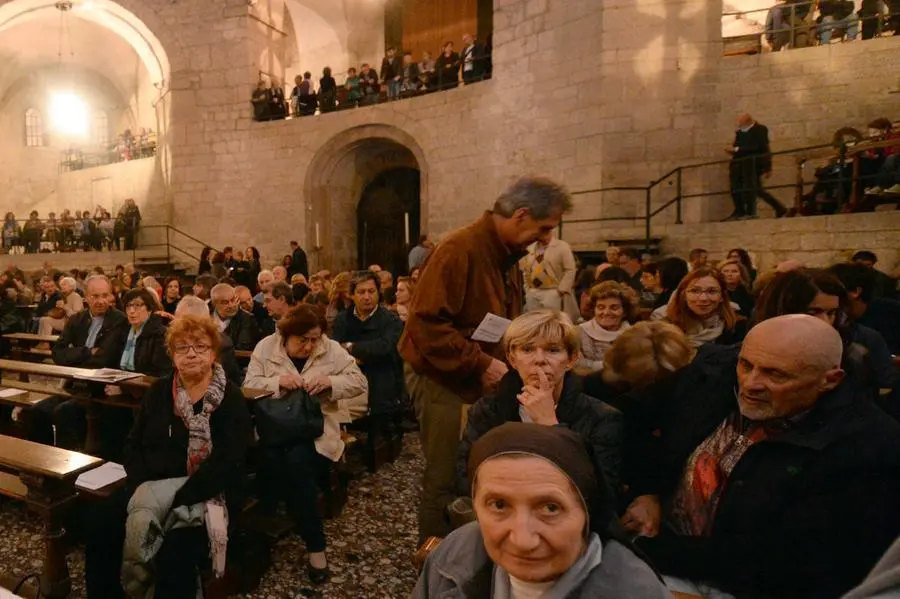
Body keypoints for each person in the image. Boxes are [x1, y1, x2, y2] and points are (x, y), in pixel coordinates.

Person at [621, 315, 900, 599]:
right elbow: (636, 412)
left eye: (776, 374)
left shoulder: (870, 449)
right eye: (746, 365)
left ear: (829, 380)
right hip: (664, 556)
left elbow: (787, 562)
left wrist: (648, 549)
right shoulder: (716, 373)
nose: (750, 384)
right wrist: (648, 491)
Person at [399, 176, 572, 543]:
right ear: (521, 215)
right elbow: (424, 325)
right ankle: (433, 562)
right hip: (442, 378)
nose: (545, 239)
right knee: (445, 474)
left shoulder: (505, 255)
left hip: (474, 378)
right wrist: (480, 363)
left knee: (474, 468)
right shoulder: (459, 249)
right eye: (544, 228)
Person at [84, 315, 250, 599]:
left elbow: (230, 461)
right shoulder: (160, 390)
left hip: (204, 492)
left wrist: (178, 497)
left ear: (213, 352)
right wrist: (143, 486)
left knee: (175, 549)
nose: (192, 354)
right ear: (172, 355)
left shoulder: (229, 397)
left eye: (200, 346)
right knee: (101, 523)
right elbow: (133, 443)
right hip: (150, 486)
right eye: (182, 348)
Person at [414, 422, 671, 599]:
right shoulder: (455, 554)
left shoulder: (636, 591)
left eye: (550, 508)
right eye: (499, 505)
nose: (523, 540)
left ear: (587, 512)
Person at [245, 305, 367, 584]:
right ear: (286, 336)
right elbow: (249, 384)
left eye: (315, 339)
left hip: (318, 430)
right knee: (278, 461)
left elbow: (359, 381)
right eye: (303, 340)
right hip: (277, 428)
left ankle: (313, 544)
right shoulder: (266, 347)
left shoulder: (331, 348)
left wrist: (330, 381)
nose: (310, 346)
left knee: (296, 463)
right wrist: (278, 382)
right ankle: (295, 537)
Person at [458, 309, 624, 499]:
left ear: (571, 359)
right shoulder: (487, 410)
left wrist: (550, 426)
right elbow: (466, 480)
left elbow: (601, 495)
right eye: (527, 349)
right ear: (512, 359)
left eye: (553, 350)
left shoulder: (601, 418)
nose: (539, 360)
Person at [753, 268, 895, 399]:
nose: (825, 322)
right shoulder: (746, 357)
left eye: (831, 313)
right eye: (813, 312)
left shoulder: (852, 358)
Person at [28, 276, 128, 449]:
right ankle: (39, 466)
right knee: (37, 411)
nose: (100, 301)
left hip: (98, 388)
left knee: (64, 412)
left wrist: (74, 357)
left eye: (105, 295)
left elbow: (104, 358)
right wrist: (87, 351)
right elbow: (58, 353)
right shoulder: (77, 319)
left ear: (111, 296)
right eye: (95, 296)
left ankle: (65, 470)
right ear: (86, 298)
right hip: (74, 385)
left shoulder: (119, 320)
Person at [332, 272, 405, 459]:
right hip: (348, 375)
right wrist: (359, 355)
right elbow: (334, 351)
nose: (366, 297)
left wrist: (351, 347)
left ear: (378, 293)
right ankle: (335, 445)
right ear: (352, 295)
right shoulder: (342, 319)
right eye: (361, 292)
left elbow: (385, 348)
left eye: (371, 291)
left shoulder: (390, 320)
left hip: (380, 377)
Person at [654, 268, 746, 348]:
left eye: (712, 291)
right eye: (695, 291)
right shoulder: (664, 326)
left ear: (722, 296)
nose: (703, 298)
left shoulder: (737, 326)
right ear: (683, 295)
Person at [725, 113, 787, 220]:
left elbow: (760, 147)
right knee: (736, 187)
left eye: (741, 123)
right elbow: (737, 146)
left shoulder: (760, 130)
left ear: (748, 121)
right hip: (739, 164)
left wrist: (768, 167)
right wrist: (734, 151)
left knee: (752, 189)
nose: (739, 126)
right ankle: (740, 210)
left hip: (752, 164)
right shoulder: (740, 133)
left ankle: (751, 212)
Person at [577, 282, 637, 373]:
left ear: (625, 311)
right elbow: (577, 364)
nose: (606, 312)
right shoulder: (578, 332)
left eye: (614, 308)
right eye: (601, 307)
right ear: (594, 309)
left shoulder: (634, 334)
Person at [520, 229, 579, 322]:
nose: (542, 235)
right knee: (534, 320)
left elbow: (570, 269)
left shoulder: (562, 246)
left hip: (552, 290)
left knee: (552, 320)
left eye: (545, 232)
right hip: (533, 290)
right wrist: (527, 288)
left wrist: (561, 290)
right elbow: (526, 269)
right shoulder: (531, 248)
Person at [211, 283, 261, 351]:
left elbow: (243, 348)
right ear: (214, 304)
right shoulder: (205, 318)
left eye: (232, 300)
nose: (231, 305)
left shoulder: (247, 319)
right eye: (225, 302)